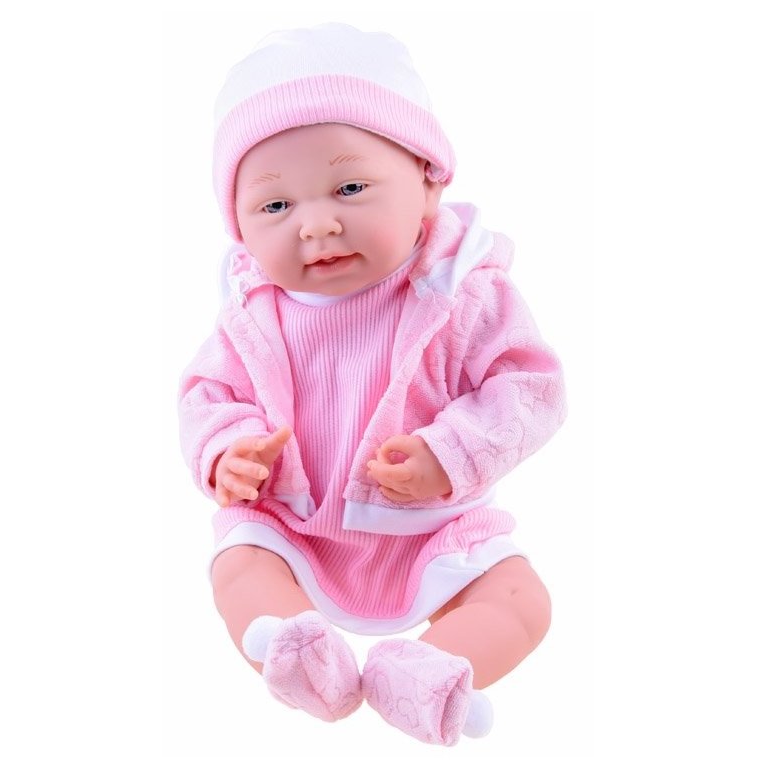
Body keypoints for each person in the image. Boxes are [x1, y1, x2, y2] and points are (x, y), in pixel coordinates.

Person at [178, 23, 567, 746]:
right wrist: (229, 451)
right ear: (239, 226)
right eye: (274, 206)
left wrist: (450, 453)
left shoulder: (461, 293)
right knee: (238, 565)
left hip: (433, 527)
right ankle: (299, 655)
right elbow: (207, 393)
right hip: (294, 523)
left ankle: (426, 670)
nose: (316, 225)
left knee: (521, 599)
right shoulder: (252, 311)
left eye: (350, 187)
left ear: (428, 181)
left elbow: (530, 386)